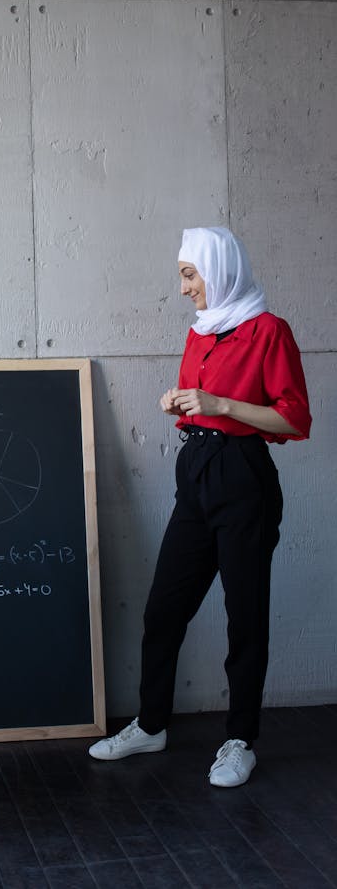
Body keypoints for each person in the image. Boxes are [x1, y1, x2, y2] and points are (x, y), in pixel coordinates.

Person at [88, 227, 311, 787]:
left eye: (190, 274)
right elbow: (205, 410)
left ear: (220, 269)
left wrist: (218, 404)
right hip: (197, 472)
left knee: (245, 616)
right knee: (164, 608)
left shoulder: (268, 331)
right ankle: (151, 723)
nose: (185, 288)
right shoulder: (200, 335)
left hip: (244, 477)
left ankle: (240, 739)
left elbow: (293, 420)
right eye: (183, 276)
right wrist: (182, 405)